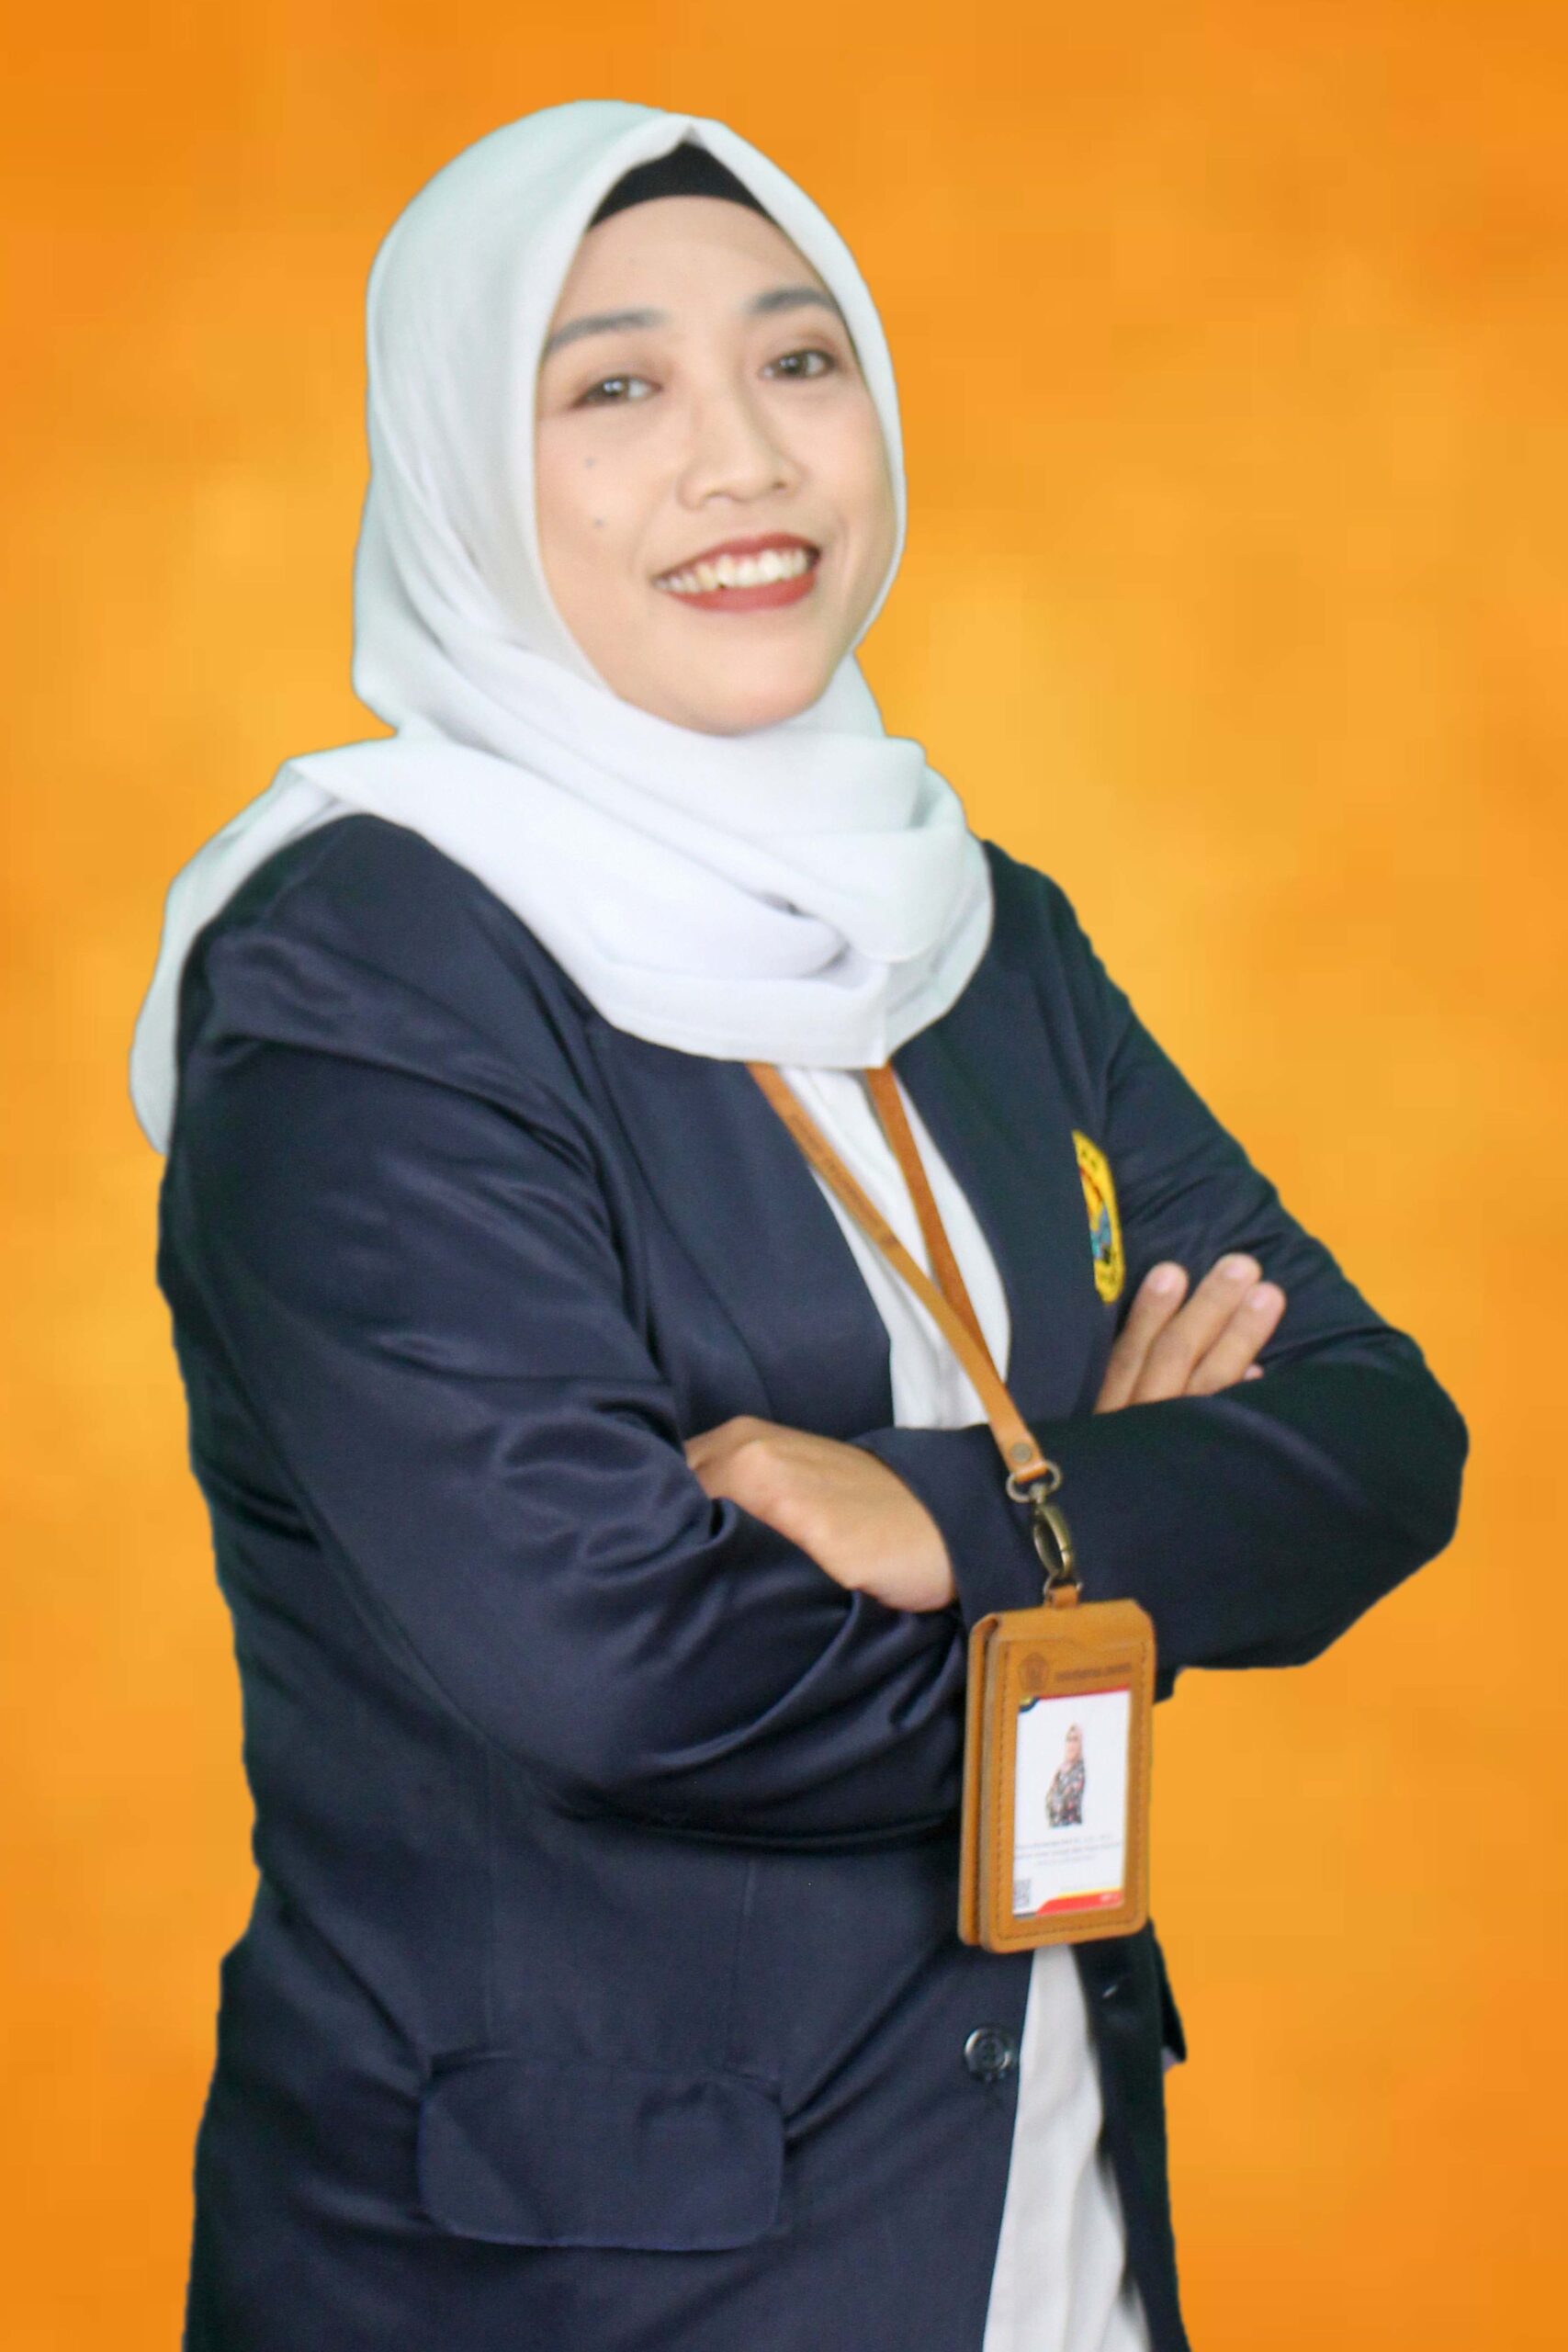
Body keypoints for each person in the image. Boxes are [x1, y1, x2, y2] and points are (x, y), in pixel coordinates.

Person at [130, 103, 1468, 2352]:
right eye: (612, 384)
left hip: (1045, 2214)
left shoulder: (978, 930)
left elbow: (1373, 1437)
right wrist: (1133, 1533)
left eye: (797, 359)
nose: (740, 457)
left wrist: (942, 1515)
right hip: (591, 2281)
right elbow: (613, 1664)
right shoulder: (362, 968)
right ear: (460, 467)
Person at [1047, 1725, 1088, 1829]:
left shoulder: (1080, 1770)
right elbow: (1049, 1800)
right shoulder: (1060, 1771)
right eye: (1069, 1740)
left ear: (1080, 1744)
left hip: (1073, 1831)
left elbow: (1067, 1802)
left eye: (1075, 1740)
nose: (1071, 1744)